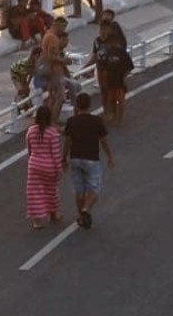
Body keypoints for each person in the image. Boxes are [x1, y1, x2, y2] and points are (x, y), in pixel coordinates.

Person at [63, 92, 114, 229]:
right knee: (94, 188)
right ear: (90, 105)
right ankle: (86, 208)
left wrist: (64, 158)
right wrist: (110, 156)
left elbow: (67, 141)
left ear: (76, 106)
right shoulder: (96, 121)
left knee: (79, 189)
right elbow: (103, 141)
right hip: (91, 158)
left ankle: (81, 217)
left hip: (75, 158)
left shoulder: (71, 121)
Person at [25, 105, 65, 229]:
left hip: (34, 165)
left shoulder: (31, 130)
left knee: (34, 193)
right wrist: (59, 169)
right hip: (49, 166)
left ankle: (37, 222)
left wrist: (32, 159)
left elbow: (29, 148)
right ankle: (54, 214)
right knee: (51, 191)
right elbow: (55, 153)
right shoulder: (52, 132)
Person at [100, 38, 134, 126]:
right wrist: (104, 80)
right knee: (112, 100)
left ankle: (119, 120)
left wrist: (124, 77)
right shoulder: (107, 53)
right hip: (110, 81)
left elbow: (129, 67)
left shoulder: (122, 53)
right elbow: (103, 67)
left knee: (120, 101)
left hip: (120, 81)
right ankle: (113, 116)